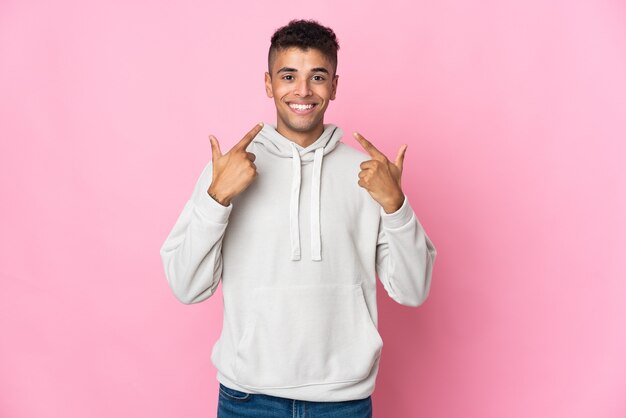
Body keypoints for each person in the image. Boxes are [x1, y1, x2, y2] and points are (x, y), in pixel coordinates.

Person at [160, 19, 437, 418]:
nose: (303, 91)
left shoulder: (369, 176)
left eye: (317, 77)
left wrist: (396, 206)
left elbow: (413, 291)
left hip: (344, 403)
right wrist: (217, 197)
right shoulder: (228, 172)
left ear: (335, 86)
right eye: (288, 75)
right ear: (269, 84)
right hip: (247, 399)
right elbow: (186, 286)